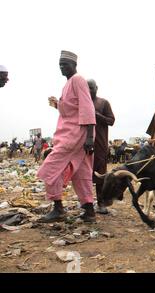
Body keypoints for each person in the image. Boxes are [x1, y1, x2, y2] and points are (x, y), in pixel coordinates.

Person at [37, 50, 96, 223]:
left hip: (74, 135)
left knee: (50, 168)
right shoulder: (69, 83)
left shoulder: (78, 80)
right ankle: (89, 210)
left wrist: (90, 137)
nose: (62, 68)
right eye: (60, 65)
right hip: (74, 133)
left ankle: (58, 208)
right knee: (82, 171)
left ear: (74, 65)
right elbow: (72, 109)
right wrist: (58, 104)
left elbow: (87, 108)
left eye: (66, 64)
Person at [87, 79, 116, 214]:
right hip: (84, 145)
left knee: (100, 175)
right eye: (87, 88)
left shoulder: (103, 103)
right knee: (84, 175)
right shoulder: (82, 103)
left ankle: (101, 202)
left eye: (91, 88)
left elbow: (111, 120)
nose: (89, 90)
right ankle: (86, 203)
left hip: (100, 144)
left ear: (96, 88)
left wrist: (97, 115)